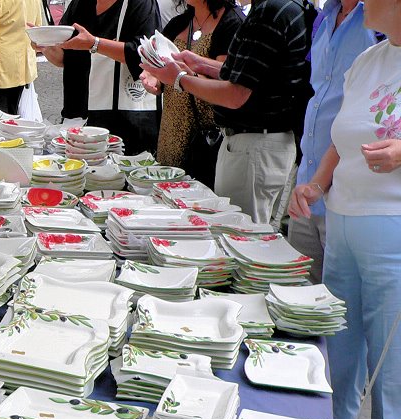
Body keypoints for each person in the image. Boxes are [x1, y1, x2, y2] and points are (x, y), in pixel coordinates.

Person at [287, 0, 401, 419]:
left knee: (395, 361)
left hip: (394, 230)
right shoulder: (369, 59)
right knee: (340, 349)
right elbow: (339, 138)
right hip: (346, 222)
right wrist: (317, 183)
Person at [140, 0, 312, 224]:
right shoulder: (281, 8)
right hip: (258, 145)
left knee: (239, 235)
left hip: (254, 145)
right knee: (243, 232)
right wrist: (200, 64)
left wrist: (179, 79)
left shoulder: (270, 11)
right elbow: (248, 75)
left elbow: (235, 94)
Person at [288, 0, 378, 281]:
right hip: (308, 183)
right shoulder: (323, 18)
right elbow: (319, 90)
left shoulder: (380, 18)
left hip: (351, 190)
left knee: (339, 302)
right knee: (298, 293)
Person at [134, 0, 243, 188]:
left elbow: (227, 85)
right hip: (170, 132)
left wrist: (185, 77)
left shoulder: (232, 23)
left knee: (197, 201)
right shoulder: (180, 22)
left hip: (205, 137)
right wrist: (154, 79)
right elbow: (160, 70)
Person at [37, 0, 161, 156]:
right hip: (77, 117)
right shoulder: (80, 4)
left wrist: (95, 44)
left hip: (122, 123)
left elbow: (144, 55)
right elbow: (64, 59)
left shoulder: (140, 4)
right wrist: (45, 44)